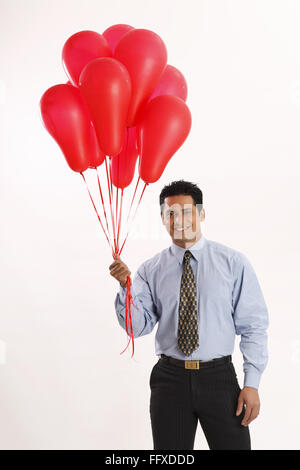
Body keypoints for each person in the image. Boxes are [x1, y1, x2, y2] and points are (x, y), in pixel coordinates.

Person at [110, 180, 269, 450]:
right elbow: (137, 328)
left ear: (201, 214)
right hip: (169, 380)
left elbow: (253, 326)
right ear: (162, 218)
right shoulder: (151, 270)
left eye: (187, 211)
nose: (179, 220)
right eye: (171, 213)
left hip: (219, 378)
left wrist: (251, 383)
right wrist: (126, 288)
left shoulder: (233, 263)